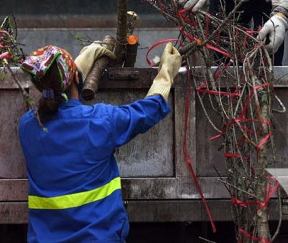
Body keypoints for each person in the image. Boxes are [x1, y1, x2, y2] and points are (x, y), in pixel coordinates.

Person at [18, 41, 182, 242]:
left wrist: (78, 66)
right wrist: (166, 73)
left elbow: (53, 95)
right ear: (77, 77)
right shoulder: (99, 122)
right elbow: (146, 111)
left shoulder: (28, 126)